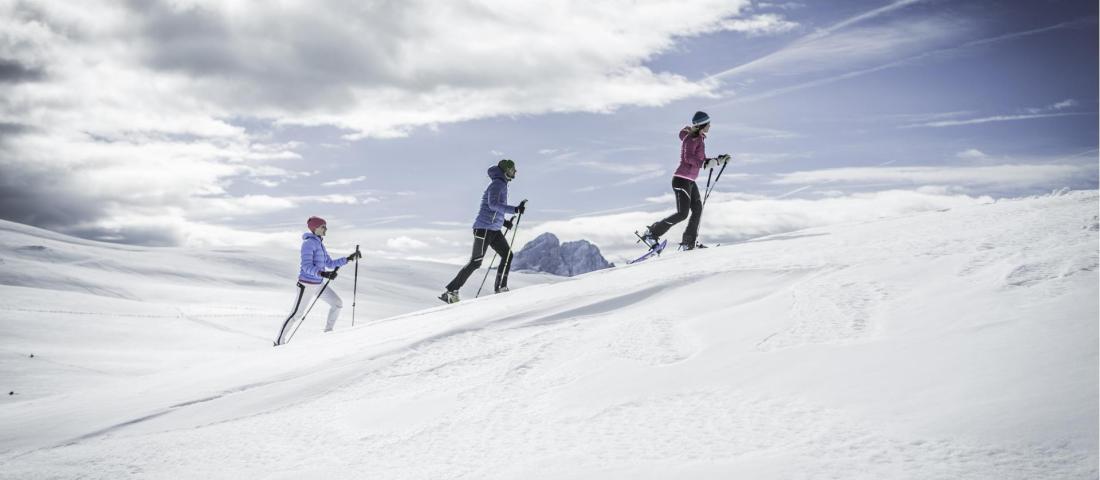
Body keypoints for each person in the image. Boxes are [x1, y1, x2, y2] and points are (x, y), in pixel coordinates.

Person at [440, 159, 527, 304]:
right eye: (512, 169)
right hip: (483, 229)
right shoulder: (497, 184)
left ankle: (500, 287)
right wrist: (515, 209)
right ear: (506, 171)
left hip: (493, 229)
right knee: (476, 262)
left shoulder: (502, 184)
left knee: (507, 255)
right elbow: (493, 205)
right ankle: (450, 292)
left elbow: (493, 209)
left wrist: (504, 222)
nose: (515, 172)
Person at [641, 111, 730, 250]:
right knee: (682, 213)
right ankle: (652, 233)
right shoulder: (691, 138)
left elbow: (700, 160)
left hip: (690, 181)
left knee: (697, 209)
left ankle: (689, 242)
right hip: (681, 179)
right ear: (702, 125)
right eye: (708, 123)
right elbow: (688, 158)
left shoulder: (699, 138)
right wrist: (705, 164)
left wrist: (718, 160)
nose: (710, 126)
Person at [274, 216, 361, 346]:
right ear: (315, 228)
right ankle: (278, 342)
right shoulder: (308, 244)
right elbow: (306, 266)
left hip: (318, 284)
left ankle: (328, 333)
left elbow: (330, 263)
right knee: (296, 314)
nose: (326, 229)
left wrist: (348, 259)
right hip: (306, 284)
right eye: (323, 226)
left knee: (337, 303)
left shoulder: (320, 244)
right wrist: (322, 273)